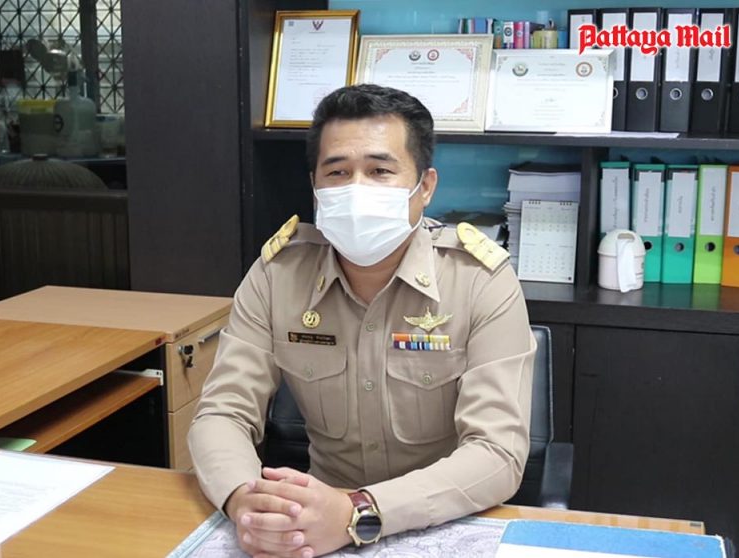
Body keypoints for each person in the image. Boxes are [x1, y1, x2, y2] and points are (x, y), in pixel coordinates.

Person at [188, 83, 536, 558]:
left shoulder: (479, 279)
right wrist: (246, 502)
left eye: (379, 170)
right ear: (315, 186)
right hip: (313, 526)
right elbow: (223, 413)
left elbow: (497, 453)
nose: (356, 188)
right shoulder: (278, 273)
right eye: (337, 172)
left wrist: (359, 511)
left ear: (425, 187)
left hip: (442, 523)